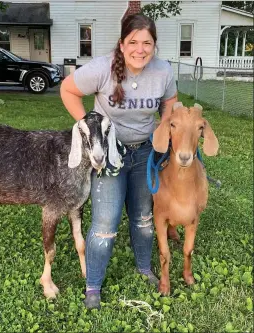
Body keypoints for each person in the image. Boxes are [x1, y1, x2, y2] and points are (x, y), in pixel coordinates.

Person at [60, 13, 178, 309]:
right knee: (105, 221)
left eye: (147, 43)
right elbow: (68, 89)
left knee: (143, 219)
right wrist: (88, 126)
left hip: (145, 153)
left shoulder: (163, 71)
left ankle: (143, 268)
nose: (140, 49)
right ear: (122, 44)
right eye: (133, 42)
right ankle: (93, 286)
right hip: (109, 153)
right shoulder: (102, 68)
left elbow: (170, 103)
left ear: (154, 45)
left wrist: (164, 129)